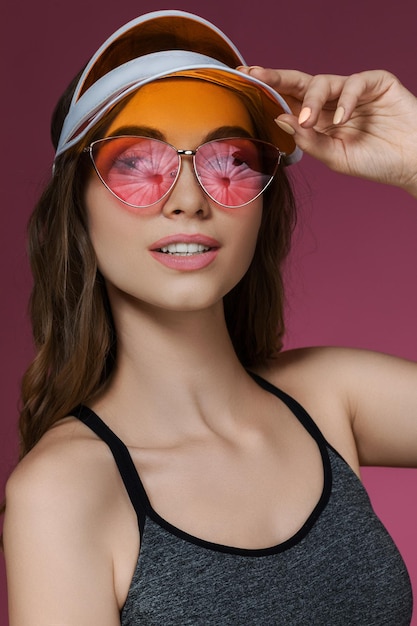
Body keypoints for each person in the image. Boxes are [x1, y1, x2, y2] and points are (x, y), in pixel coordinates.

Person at [3, 9, 417, 625]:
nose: (190, 198)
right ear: (77, 209)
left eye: (229, 160)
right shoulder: (64, 493)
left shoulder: (334, 399)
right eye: (137, 163)